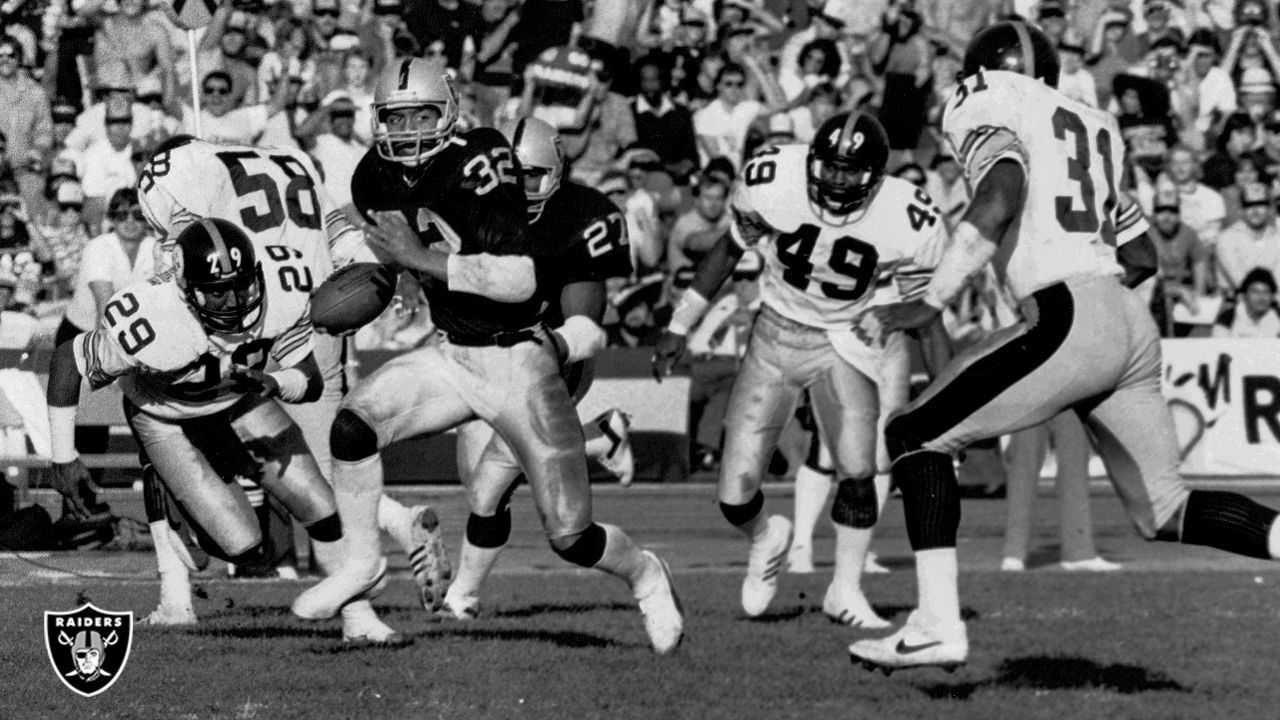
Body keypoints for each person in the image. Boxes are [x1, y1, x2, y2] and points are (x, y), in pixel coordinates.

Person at [849, 21, 1280, 674]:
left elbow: (1001, 191)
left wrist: (931, 300)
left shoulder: (989, 97)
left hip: (1067, 308)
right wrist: (1094, 325)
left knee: (914, 433)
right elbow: (1137, 253)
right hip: (1125, 315)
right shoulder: (1091, 122)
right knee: (1167, 509)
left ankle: (937, 625)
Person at [290, 58, 683, 654]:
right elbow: (390, 249)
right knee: (352, 428)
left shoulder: (481, 160)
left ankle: (646, 573)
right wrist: (375, 274)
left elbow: (520, 279)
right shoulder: (373, 176)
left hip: (520, 363)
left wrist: (418, 261)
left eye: (421, 113)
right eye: (395, 117)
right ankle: (363, 563)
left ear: (447, 112)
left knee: (570, 536)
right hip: (452, 354)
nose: (407, 129)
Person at [652, 111, 950, 628]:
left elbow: (928, 313)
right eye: (828, 167)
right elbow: (728, 250)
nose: (836, 181)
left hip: (845, 341)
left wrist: (947, 401)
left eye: (850, 172)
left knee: (861, 471)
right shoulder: (773, 182)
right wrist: (680, 325)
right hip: (774, 333)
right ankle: (767, 536)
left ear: (876, 176)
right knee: (734, 495)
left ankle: (846, 589)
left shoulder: (908, 216)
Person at [134, 134, 451, 617]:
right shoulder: (293, 157)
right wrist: (381, 279)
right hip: (318, 311)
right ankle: (390, 534)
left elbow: (177, 263)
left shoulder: (188, 172)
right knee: (311, 467)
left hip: (250, 323)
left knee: (214, 446)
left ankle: (367, 592)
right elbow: (340, 236)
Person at [43, 219, 395, 641]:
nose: (232, 301)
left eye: (241, 285)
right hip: (164, 414)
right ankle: (169, 488)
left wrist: (275, 383)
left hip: (240, 398)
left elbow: (311, 381)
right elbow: (68, 359)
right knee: (242, 547)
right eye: (216, 291)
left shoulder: (282, 290)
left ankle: (360, 619)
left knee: (322, 509)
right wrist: (64, 457)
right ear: (187, 289)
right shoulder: (152, 315)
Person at [440, 116, 638, 619]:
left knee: (491, 488)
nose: (518, 187)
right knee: (478, 485)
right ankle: (598, 438)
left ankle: (460, 599)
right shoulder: (468, 206)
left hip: (550, 360)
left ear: (555, 171)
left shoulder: (582, 216)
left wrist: (542, 349)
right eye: (509, 174)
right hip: (481, 354)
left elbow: (586, 327)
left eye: (530, 175)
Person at [1213, 266, 1280, 337]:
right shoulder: (1228, 319)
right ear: (1244, 296)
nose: (1261, 297)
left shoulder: (1277, 317)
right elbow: (1219, 346)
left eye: (1266, 292)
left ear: (1272, 297)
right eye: (1255, 292)